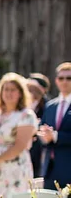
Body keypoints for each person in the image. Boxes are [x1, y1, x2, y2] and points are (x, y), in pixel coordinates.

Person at [37, 61, 71, 190]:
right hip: (50, 169)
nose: (65, 81)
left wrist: (55, 136)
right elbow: (42, 130)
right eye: (61, 78)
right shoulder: (50, 106)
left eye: (69, 78)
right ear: (56, 81)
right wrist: (43, 136)